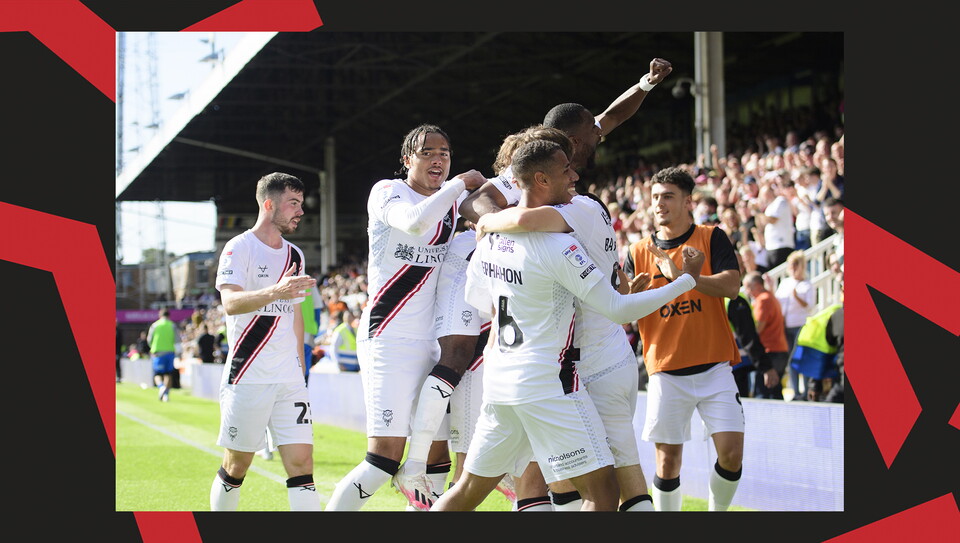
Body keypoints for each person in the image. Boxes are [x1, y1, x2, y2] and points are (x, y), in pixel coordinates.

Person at [432, 140, 701, 512]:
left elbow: (482, 302)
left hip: (500, 383)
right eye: (565, 170)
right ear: (541, 179)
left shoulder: (489, 240)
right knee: (603, 493)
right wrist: (685, 282)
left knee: (467, 492)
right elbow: (618, 309)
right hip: (547, 385)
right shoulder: (559, 246)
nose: (575, 175)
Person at [395, 125, 578, 512]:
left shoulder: (550, 192)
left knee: (477, 388)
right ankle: (415, 466)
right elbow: (473, 203)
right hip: (467, 266)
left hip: (496, 303)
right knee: (458, 360)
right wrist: (492, 225)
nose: (571, 169)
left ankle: (453, 476)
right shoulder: (516, 179)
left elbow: (600, 125)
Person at [324, 124, 486, 511]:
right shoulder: (387, 191)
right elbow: (413, 222)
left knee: (436, 461)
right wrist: (459, 186)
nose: (438, 159)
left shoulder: (449, 203)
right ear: (406, 159)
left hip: (432, 343)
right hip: (388, 339)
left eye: (445, 153)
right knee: (383, 461)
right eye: (427, 152)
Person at [622, 166, 744, 512]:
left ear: (688, 201)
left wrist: (685, 278)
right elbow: (627, 312)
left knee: (732, 454)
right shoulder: (637, 251)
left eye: (668, 196)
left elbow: (732, 287)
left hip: (714, 365)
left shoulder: (711, 236)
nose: (659, 203)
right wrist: (629, 296)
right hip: (665, 369)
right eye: (655, 197)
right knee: (668, 463)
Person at [209, 171, 321, 512]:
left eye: (301, 203)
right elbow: (230, 303)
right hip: (248, 375)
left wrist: (300, 368)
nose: (300, 211)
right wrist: (276, 291)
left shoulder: (295, 255)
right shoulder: (238, 248)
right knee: (236, 466)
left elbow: (296, 314)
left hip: (289, 378)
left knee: (302, 466)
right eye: (293, 203)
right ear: (269, 204)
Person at [459, 57, 673, 223]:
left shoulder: (573, 141)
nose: (599, 131)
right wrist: (513, 228)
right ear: (574, 141)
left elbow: (614, 115)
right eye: (593, 129)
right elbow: (473, 203)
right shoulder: (532, 164)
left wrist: (647, 83)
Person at [743, 271, 789, 400]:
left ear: (757, 285)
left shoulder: (763, 300)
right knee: (775, 391)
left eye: (748, 287)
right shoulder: (770, 297)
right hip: (778, 349)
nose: (747, 291)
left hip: (770, 351)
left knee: (763, 392)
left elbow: (757, 328)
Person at [775, 250, 814, 399]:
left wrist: (797, 297)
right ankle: (796, 391)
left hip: (800, 326)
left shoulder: (807, 284)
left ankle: (804, 392)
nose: (792, 268)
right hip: (785, 326)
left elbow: (809, 306)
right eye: (791, 265)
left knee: (800, 358)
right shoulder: (785, 283)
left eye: (795, 264)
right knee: (790, 359)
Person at [147, 309, 178, 402]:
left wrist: (152, 347)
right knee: (168, 374)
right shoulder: (172, 325)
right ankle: (166, 395)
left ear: (160, 316)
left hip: (158, 352)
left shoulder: (155, 325)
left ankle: (161, 387)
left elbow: (149, 339)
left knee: (157, 374)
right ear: (169, 316)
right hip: (169, 352)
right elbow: (177, 339)